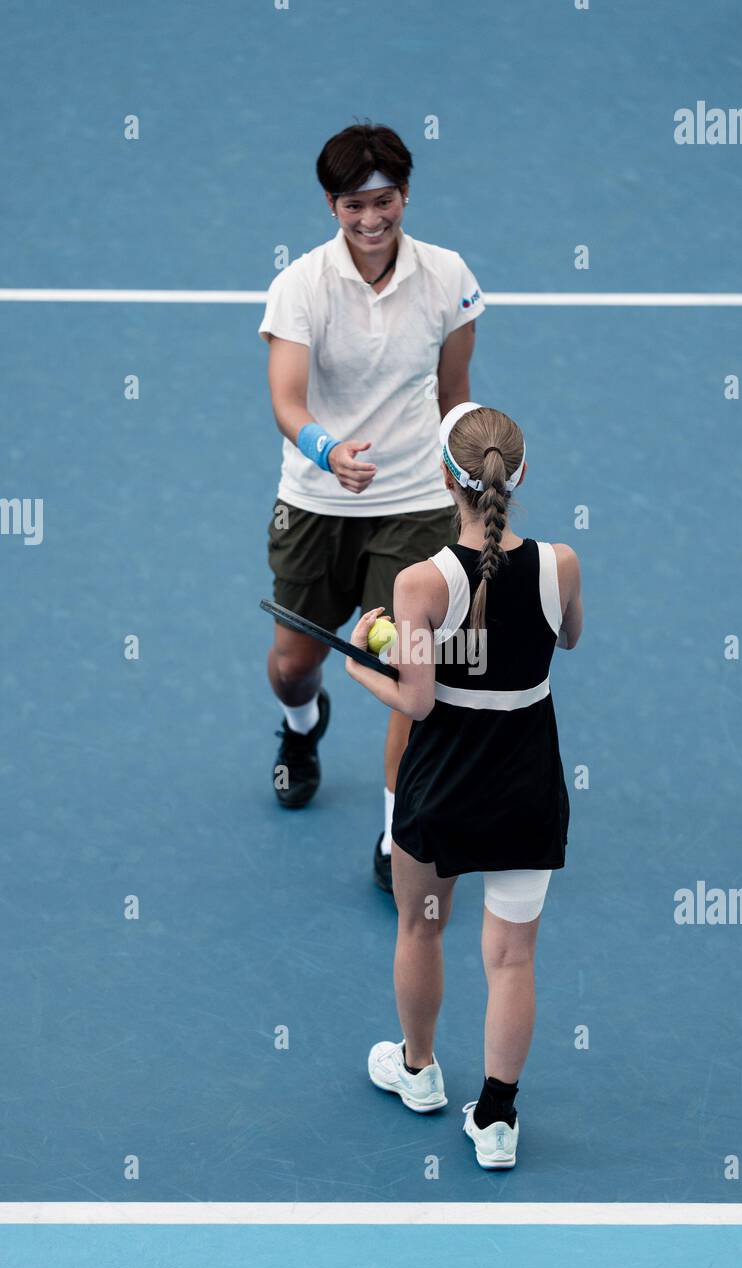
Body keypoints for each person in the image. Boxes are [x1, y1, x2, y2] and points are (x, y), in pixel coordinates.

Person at [344, 403, 583, 1168]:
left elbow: (415, 700)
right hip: (525, 785)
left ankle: (417, 1070)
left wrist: (360, 664)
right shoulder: (562, 564)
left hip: (444, 788)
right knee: (512, 958)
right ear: (519, 477)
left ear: (445, 478)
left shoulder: (420, 585)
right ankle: (499, 1120)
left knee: (422, 927)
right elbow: (569, 635)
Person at [258, 122, 485, 896]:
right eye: (354, 205)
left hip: (416, 501)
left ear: (405, 195)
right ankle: (301, 725)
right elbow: (287, 401)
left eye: (384, 201)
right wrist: (330, 452)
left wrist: (475, 474)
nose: (372, 219)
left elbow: (454, 396)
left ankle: (396, 833)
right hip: (320, 498)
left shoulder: (448, 275)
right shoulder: (301, 285)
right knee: (293, 667)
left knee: (405, 665)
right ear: (331, 205)